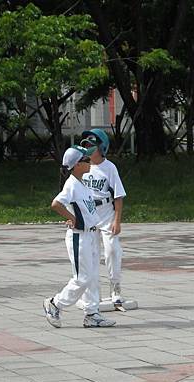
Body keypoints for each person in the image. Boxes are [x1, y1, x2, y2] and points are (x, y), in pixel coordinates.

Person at [43, 145, 116, 328]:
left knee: (91, 277)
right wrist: (72, 218)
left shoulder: (82, 183)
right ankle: (55, 303)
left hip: (91, 235)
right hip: (79, 237)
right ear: (76, 165)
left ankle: (92, 314)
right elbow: (56, 204)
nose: (89, 161)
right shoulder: (72, 185)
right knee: (81, 278)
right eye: (85, 160)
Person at [79, 129, 127, 309]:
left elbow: (118, 196)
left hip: (106, 213)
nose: (88, 149)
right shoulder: (82, 165)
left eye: (92, 145)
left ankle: (115, 288)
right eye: (86, 145)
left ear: (102, 148)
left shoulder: (109, 167)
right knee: (90, 255)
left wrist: (117, 220)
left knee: (112, 250)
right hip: (89, 214)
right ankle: (93, 293)